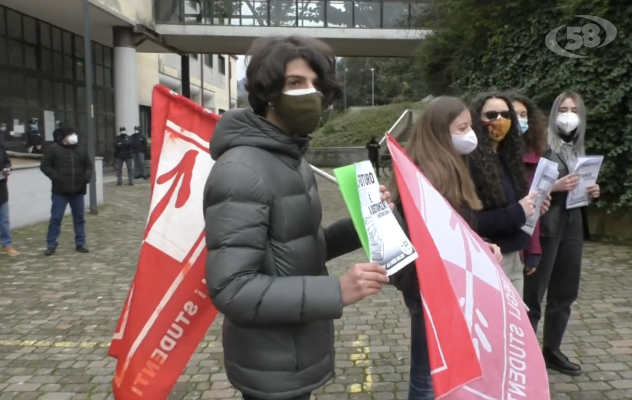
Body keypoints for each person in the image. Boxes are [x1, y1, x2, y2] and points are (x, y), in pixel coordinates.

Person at [204, 35, 391, 400]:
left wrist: (363, 222)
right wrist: (335, 290)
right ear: (267, 92)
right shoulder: (241, 170)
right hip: (270, 361)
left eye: (317, 85)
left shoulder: (291, 158)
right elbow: (232, 288)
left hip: (296, 350)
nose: (311, 93)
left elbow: (297, 247)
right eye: (295, 83)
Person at [388, 97, 504, 400]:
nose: (471, 135)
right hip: (429, 286)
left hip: (452, 284)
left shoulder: (452, 164)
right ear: (440, 132)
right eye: (462, 127)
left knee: (446, 370)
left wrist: (481, 246)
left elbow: (458, 229)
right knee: (428, 375)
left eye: (470, 126)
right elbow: (427, 236)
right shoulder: (423, 174)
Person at [523, 91, 599, 376]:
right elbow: (526, 188)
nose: (569, 115)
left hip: (573, 223)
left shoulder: (577, 149)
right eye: (564, 109)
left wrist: (591, 190)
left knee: (566, 291)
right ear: (554, 113)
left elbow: (577, 186)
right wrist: (555, 186)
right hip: (546, 224)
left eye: (575, 110)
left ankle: (552, 350)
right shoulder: (541, 145)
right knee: (534, 293)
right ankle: (525, 353)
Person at [467, 92, 540, 294]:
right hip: (489, 257)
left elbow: (516, 206)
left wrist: (532, 206)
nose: (500, 121)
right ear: (476, 119)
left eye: (506, 115)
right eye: (491, 115)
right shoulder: (469, 161)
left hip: (515, 255)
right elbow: (468, 219)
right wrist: (518, 211)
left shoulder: (508, 158)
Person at [506, 92, 549, 277]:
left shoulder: (534, 158)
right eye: (515, 114)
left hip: (521, 247)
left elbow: (533, 212)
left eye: (524, 115)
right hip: (495, 246)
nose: (520, 120)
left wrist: (534, 250)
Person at [40, 127, 92, 256]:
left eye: (75, 134)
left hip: (78, 190)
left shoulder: (81, 149)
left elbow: (88, 166)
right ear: (64, 136)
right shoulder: (53, 149)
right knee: (56, 218)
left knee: (79, 218)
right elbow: (45, 166)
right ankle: (51, 245)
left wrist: (85, 178)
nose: (74, 136)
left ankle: (81, 243)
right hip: (60, 190)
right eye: (71, 134)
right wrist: (56, 178)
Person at [0, 138, 18, 256]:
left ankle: (6, 244)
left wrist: (7, 168)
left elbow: (7, 161)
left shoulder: (0, 146)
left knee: (4, 220)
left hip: (1, 189)